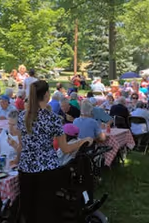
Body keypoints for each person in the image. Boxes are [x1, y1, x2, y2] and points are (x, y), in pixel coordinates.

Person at [16, 80, 93, 223]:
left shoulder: (22, 117)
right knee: (46, 210)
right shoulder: (53, 119)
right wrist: (82, 141)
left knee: (29, 209)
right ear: (46, 95)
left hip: (26, 168)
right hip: (47, 170)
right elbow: (65, 148)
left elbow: (22, 146)